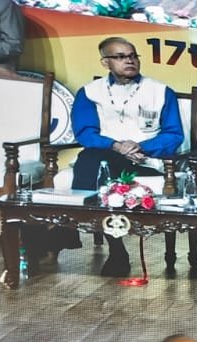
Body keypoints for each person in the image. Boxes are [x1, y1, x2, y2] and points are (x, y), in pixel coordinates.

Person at [63, 37, 186, 277]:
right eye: (120, 57)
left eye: (133, 55)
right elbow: (85, 132)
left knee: (91, 162)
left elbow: (174, 134)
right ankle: (116, 250)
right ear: (105, 62)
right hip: (105, 158)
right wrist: (116, 145)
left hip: (145, 162)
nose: (129, 60)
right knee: (94, 158)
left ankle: (70, 229)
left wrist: (140, 146)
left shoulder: (161, 91)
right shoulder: (89, 93)